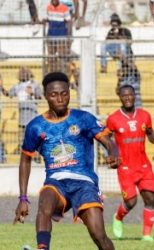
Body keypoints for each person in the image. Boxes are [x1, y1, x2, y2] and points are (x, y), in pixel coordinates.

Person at [13, 72, 118, 250]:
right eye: (54, 94)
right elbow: (25, 161)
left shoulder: (83, 118)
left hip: (84, 183)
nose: (60, 98)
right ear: (45, 95)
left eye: (64, 93)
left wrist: (113, 153)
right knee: (45, 200)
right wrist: (23, 198)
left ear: (69, 93)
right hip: (56, 182)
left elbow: (109, 142)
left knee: (99, 236)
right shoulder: (35, 126)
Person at [106, 84, 154, 241]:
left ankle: (146, 235)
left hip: (144, 165)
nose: (128, 98)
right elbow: (106, 138)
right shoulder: (113, 119)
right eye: (124, 96)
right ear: (120, 97)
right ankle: (118, 217)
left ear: (134, 96)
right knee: (131, 202)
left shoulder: (145, 115)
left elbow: (149, 132)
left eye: (130, 95)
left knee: (150, 198)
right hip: (125, 167)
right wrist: (111, 154)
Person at [0, 67, 43, 153]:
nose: (23, 74)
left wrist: (32, 93)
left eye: (25, 72)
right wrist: (1, 87)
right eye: (21, 72)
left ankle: (36, 156)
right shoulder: (17, 86)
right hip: (22, 117)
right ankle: (25, 154)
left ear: (29, 74)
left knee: (34, 136)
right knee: (23, 137)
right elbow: (8, 94)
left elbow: (40, 97)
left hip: (32, 115)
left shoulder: (34, 84)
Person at [43, 0, 71, 74]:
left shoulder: (64, 8)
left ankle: (63, 73)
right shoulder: (48, 7)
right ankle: (52, 72)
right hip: (51, 35)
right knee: (51, 56)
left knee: (62, 56)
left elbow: (69, 21)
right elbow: (48, 19)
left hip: (61, 36)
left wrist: (68, 36)